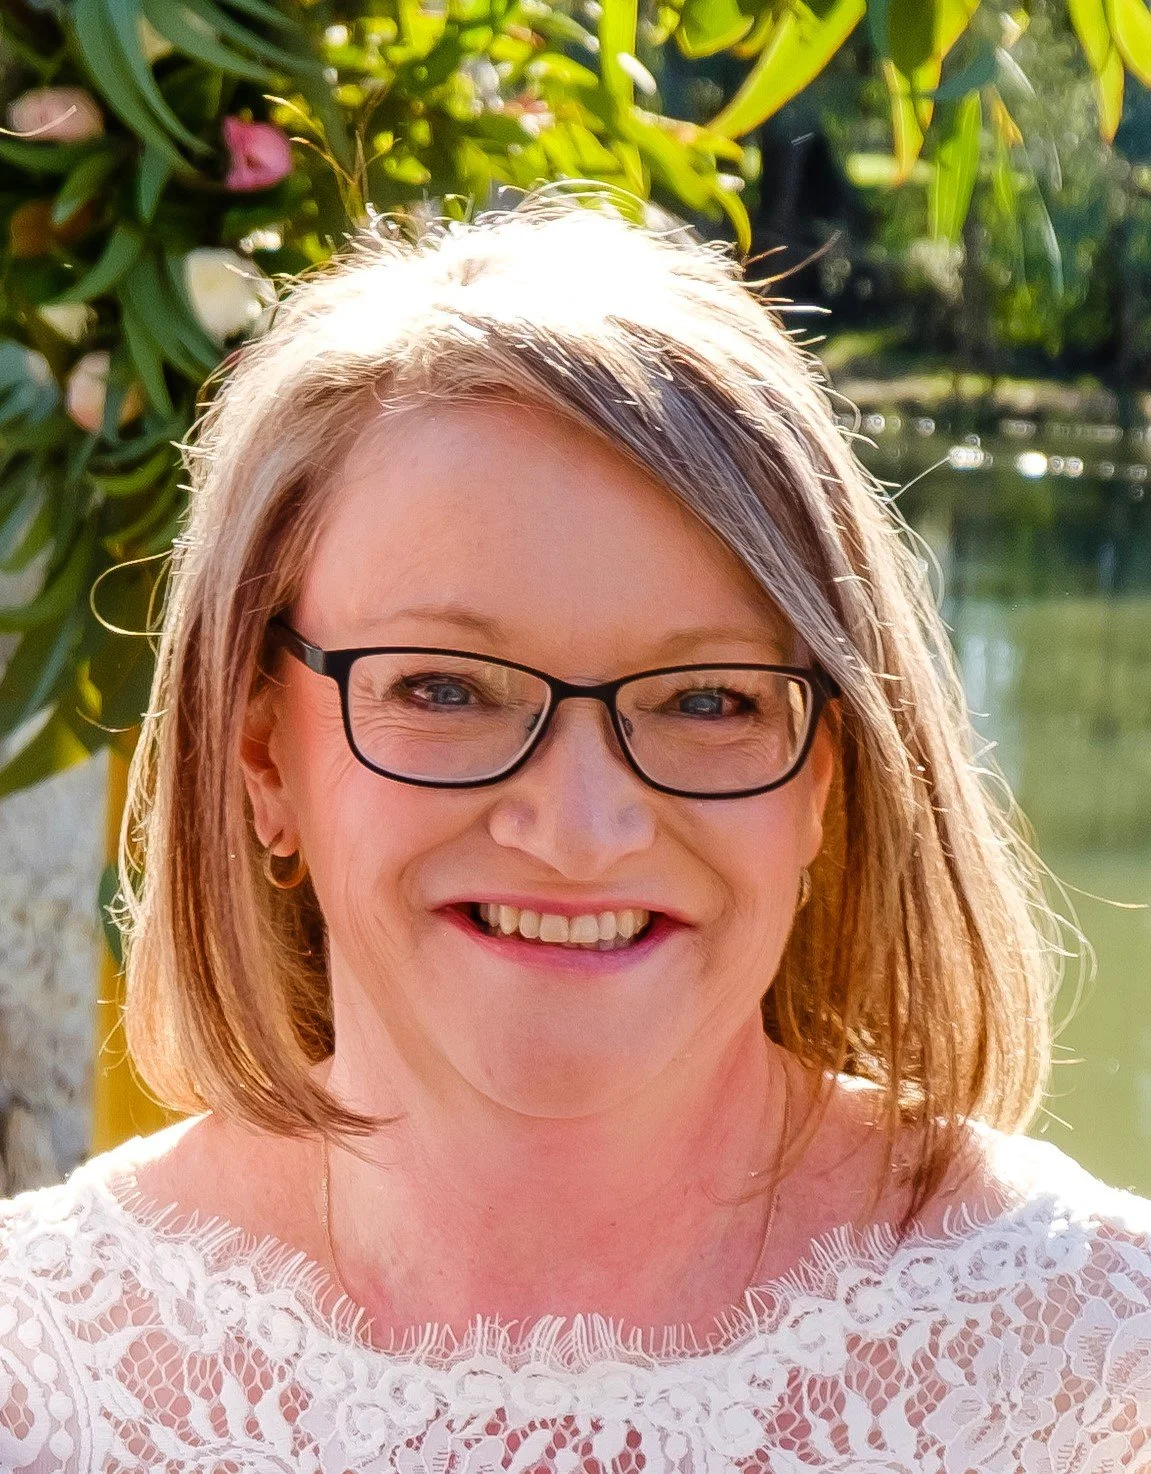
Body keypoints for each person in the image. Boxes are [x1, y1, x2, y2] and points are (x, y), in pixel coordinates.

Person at [1, 191, 1148, 1474]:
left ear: (825, 775)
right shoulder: (38, 1388)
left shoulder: (1101, 1379)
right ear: (261, 753)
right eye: (444, 687)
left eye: (705, 699)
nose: (579, 831)